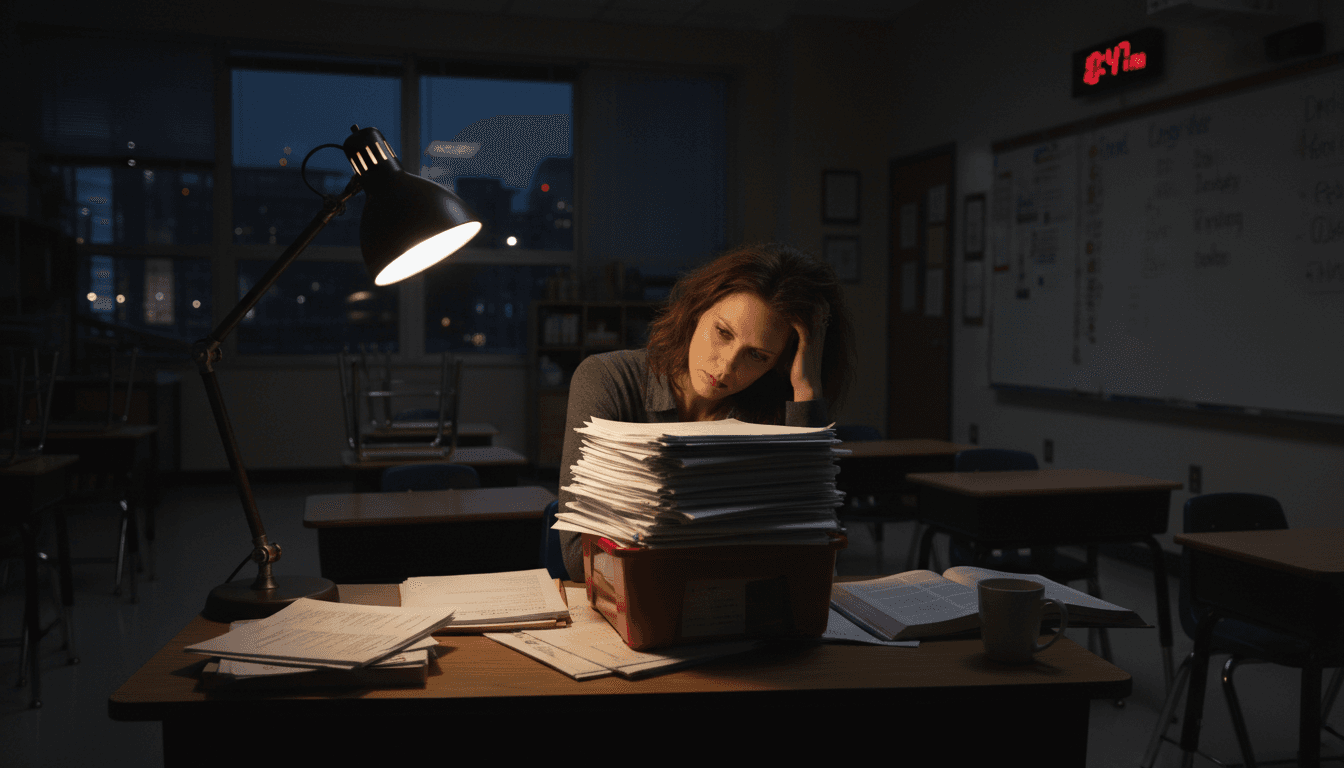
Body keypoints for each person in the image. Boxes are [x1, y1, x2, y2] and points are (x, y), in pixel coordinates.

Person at [556, 242, 855, 579]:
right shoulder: (607, 378)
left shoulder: (769, 411)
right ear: (698, 308)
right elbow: (579, 558)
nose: (726, 366)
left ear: (778, 364)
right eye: (723, 333)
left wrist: (806, 389)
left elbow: (809, 555)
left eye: (757, 355)